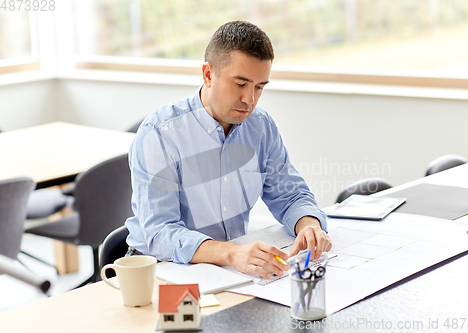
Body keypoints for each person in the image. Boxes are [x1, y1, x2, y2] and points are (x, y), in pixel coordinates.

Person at [125, 20, 332, 279]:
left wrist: (308, 225)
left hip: (225, 269)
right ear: (208, 75)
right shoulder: (160, 134)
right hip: (159, 268)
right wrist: (232, 253)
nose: (250, 99)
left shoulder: (261, 126)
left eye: (259, 87)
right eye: (240, 84)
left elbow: (289, 195)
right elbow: (161, 233)